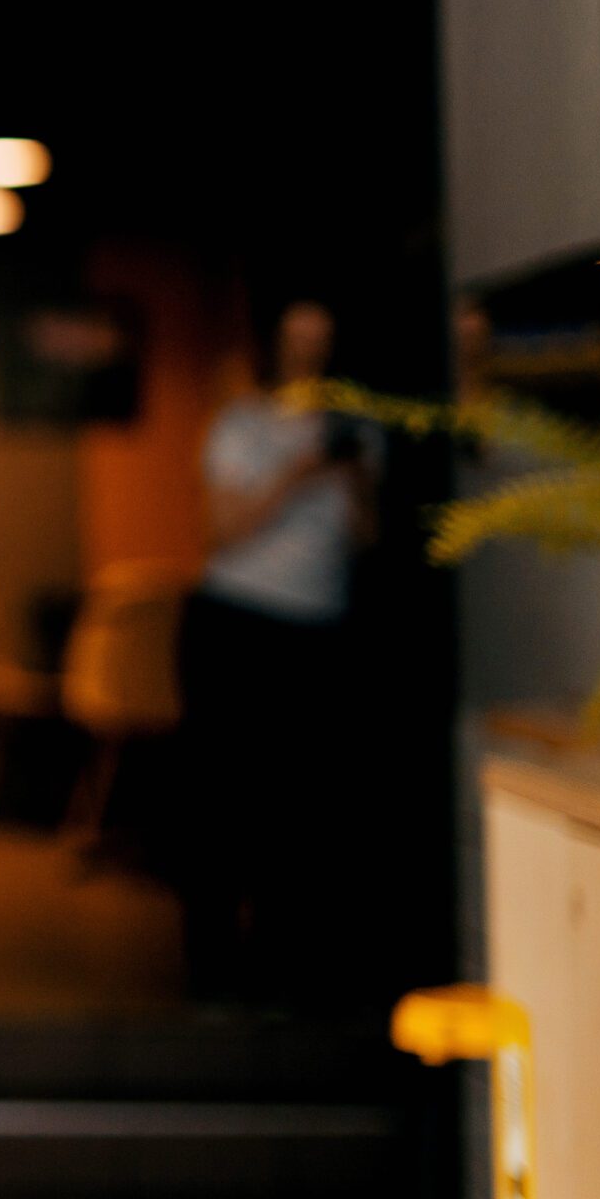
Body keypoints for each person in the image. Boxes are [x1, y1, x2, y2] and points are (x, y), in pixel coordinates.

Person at [175, 297, 379, 1004]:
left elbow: (366, 538)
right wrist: (297, 472)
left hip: (317, 630)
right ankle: (211, 973)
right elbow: (221, 531)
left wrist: (349, 472)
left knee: (303, 806)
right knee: (224, 798)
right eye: (298, 339)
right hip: (236, 625)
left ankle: (291, 972)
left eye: (322, 340)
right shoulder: (242, 424)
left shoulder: (359, 428)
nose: (309, 354)